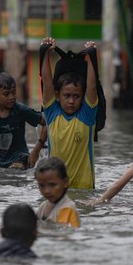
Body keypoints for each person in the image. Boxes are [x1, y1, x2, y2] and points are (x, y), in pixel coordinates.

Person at [39, 37, 98, 189]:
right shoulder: (52, 114)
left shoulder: (87, 115)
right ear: (57, 96)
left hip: (84, 190)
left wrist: (92, 57)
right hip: (56, 189)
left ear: (82, 97)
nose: (71, 101)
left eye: (76, 96)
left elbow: (91, 86)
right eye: (67, 96)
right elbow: (46, 82)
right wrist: (44, 52)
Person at [0, 72, 47, 170]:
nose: (11, 97)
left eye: (14, 92)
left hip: (20, 159)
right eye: (6, 94)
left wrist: (36, 150)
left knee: (15, 172)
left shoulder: (21, 110)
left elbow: (46, 123)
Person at [35, 157, 80, 228]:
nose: (46, 191)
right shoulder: (43, 206)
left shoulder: (67, 208)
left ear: (65, 183)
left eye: (52, 185)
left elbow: (62, 236)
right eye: (41, 185)